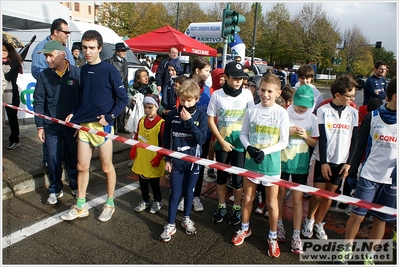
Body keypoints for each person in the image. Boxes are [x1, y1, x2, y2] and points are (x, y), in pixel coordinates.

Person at [60, 30, 129, 222]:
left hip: (102, 127)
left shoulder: (110, 70)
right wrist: (75, 113)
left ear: (100, 48)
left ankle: (110, 204)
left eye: (91, 48)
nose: (87, 52)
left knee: (107, 167)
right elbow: (83, 98)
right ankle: (81, 205)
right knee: (82, 166)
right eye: (84, 47)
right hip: (83, 126)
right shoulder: (82, 70)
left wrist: (110, 117)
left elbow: (123, 99)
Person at [337, 78, 397, 265]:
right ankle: (346, 250)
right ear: (395, 96)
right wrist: (351, 168)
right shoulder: (373, 117)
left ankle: (369, 256)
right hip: (369, 175)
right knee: (357, 216)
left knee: (381, 220)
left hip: (392, 181)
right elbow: (361, 145)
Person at [232, 73, 289, 259]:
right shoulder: (252, 110)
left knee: (272, 204)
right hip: (251, 161)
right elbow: (243, 134)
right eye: (263, 90)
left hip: (271, 165)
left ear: (278, 92)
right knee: (247, 199)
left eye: (270, 91)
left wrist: (266, 151)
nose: (265, 94)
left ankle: (272, 236)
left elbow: (284, 141)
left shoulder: (281, 113)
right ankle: (244, 229)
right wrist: (250, 148)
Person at [302, 75, 358, 240]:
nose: (352, 99)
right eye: (349, 96)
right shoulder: (323, 110)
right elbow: (323, 138)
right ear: (338, 95)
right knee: (318, 194)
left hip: (341, 162)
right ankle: (309, 219)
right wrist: (324, 162)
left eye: (353, 95)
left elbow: (355, 140)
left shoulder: (353, 112)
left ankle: (319, 223)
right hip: (323, 160)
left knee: (329, 196)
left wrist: (349, 164)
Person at [159, 79, 208, 242]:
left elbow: (201, 140)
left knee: (189, 192)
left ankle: (186, 218)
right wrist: (167, 159)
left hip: (193, 162)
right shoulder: (172, 115)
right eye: (183, 100)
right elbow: (166, 138)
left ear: (196, 99)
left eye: (189, 100)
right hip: (176, 162)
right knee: (174, 193)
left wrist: (188, 122)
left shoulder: (201, 116)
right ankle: (171, 223)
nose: (186, 104)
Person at [33, 40, 80, 204]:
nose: (47, 60)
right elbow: (38, 102)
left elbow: (84, 100)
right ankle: (55, 189)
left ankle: (75, 186)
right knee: (53, 158)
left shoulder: (77, 74)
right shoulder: (43, 76)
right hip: (51, 127)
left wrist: (78, 121)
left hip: (71, 127)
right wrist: (39, 125)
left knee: (72, 157)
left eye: (50, 55)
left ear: (62, 55)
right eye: (46, 56)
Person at [207, 61, 255, 225]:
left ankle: (236, 207)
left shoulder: (248, 94)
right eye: (235, 78)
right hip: (222, 144)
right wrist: (221, 141)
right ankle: (221, 205)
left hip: (241, 145)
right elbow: (211, 120)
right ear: (226, 77)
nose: (238, 82)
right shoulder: (217, 95)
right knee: (221, 177)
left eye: (241, 79)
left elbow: (252, 118)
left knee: (238, 179)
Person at [277, 84, 319, 254]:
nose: (302, 109)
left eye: (305, 106)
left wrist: (305, 136)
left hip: (301, 165)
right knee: (279, 195)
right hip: (282, 161)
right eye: (299, 105)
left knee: (297, 199)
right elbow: (276, 134)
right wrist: (288, 131)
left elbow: (315, 143)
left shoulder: (313, 119)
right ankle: (279, 224)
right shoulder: (285, 113)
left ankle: (296, 235)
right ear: (293, 101)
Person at [31, 18, 75, 167]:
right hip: (51, 105)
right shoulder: (41, 48)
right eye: (66, 32)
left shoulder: (65, 49)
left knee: (69, 150)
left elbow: (73, 71)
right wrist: (53, 84)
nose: (68, 35)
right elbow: (38, 73)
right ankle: (49, 164)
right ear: (56, 32)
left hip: (67, 110)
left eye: (69, 32)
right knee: (50, 147)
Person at [177, 57, 214, 213]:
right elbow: (178, 109)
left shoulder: (209, 90)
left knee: (198, 166)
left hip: (203, 135)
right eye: (207, 70)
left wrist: (211, 136)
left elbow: (212, 114)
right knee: (184, 166)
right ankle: (183, 196)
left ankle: (195, 196)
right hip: (184, 134)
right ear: (197, 70)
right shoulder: (185, 86)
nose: (209, 74)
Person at [130, 94, 165, 214]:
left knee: (154, 183)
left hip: (153, 159)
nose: (147, 110)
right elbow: (137, 135)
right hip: (141, 158)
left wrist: (159, 157)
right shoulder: (142, 120)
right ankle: (145, 200)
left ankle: (158, 200)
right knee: (142, 182)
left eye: (150, 107)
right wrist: (134, 147)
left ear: (156, 106)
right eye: (145, 107)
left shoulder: (161, 123)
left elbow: (164, 144)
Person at [105, 42, 130, 134]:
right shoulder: (110, 61)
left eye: (125, 51)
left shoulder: (125, 62)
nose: (124, 52)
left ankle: (121, 126)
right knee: (114, 107)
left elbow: (125, 77)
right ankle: (113, 127)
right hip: (114, 87)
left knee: (122, 107)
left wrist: (126, 88)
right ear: (117, 52)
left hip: (123, 87)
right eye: (122, 51)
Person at [2, 40, 23, 150]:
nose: (2, 52)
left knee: (12, 118)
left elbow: (9, 77)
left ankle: (15, 139)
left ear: (9, 51)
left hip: (11, 94)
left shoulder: (14, 63)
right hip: (2, 93)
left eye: (4, 50)